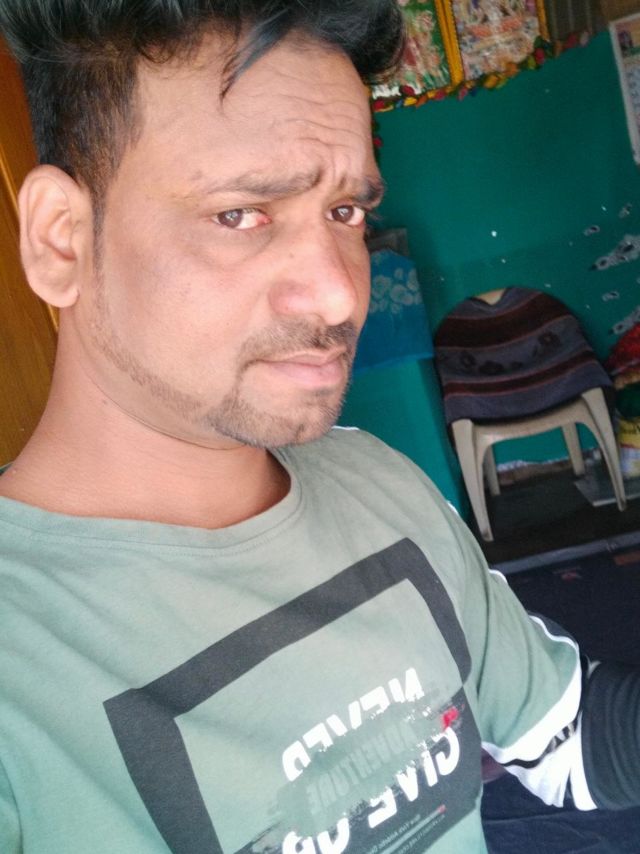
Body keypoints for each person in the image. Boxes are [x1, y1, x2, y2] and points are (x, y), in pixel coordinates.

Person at [0, 2, 638, 852]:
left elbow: (566, 737)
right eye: (241, 214)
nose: (341, 294)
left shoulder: (378, 483)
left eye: (345, 213)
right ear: (62, 240)